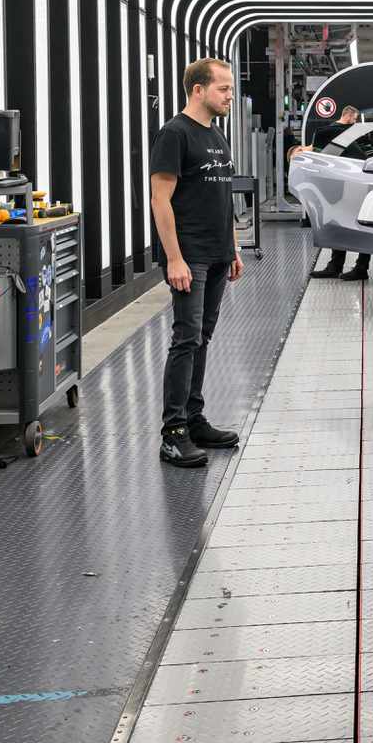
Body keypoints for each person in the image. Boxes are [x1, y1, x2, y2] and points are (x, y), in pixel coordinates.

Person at [149, 57, 244, 468]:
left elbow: (223, 199)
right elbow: (160, 200)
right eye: (223, 88)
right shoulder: (174, 134)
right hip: (190, 257)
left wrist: (235, 248)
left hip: (219, 254)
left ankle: (193, 417)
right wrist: (174, 258)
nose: (229, 96)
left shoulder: (216, 136)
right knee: (185, 339)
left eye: (230, 88)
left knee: (202, 337)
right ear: (198, 90)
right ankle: (173, 433)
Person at [287, 105, 372, 281]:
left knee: (362, 222)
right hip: (347, 185)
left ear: (302, 147)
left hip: (361, 181)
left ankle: (361, 267)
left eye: (299, 154)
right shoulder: (320, 151)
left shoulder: (322, 136)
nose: (302, 159)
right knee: (337, 220)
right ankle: (335, 265)